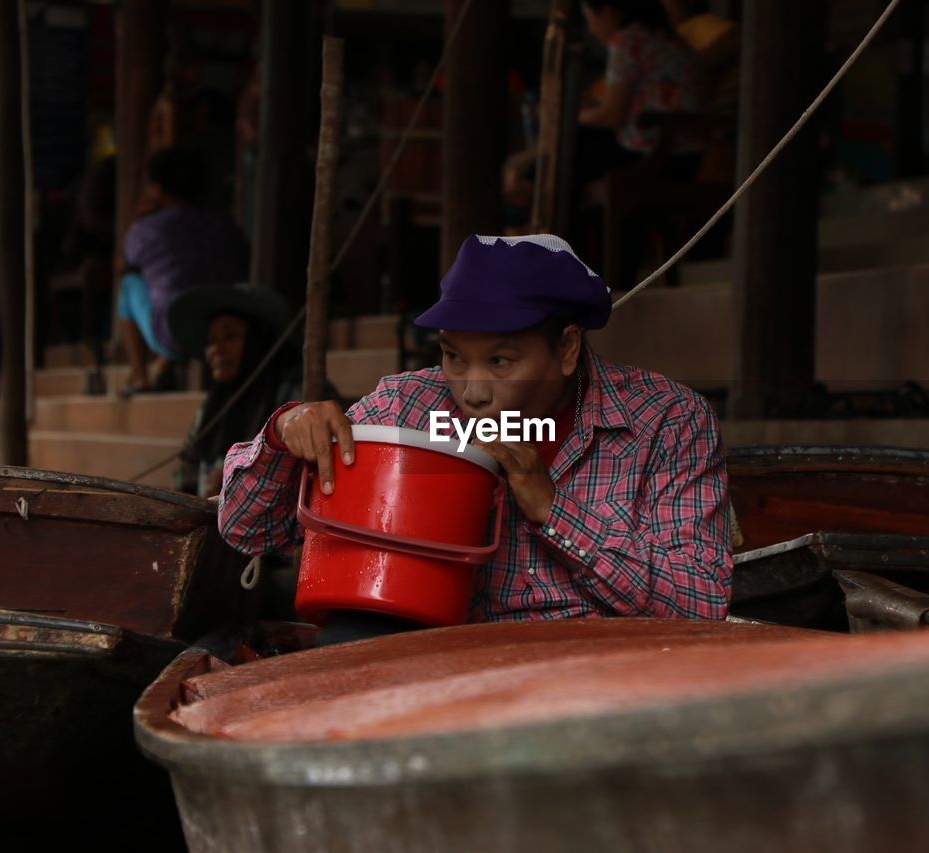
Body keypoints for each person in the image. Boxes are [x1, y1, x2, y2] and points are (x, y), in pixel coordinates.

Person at [218, 234, 733, 630]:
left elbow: (700, 602)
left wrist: (554, 510)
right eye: (453, 357)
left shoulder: (665, 420)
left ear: (568, 348)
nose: (473, 392)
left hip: (595, 682)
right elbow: (248, 532)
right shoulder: (405, 409)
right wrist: (283, 436)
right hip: (433, 673)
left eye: (501, 360)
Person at [117, 147, 248, 395]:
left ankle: (139, 378)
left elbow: (121, 266)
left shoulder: (145, 228)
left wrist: (138, 216)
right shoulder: (223, 222)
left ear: (156, 188)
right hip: (229, 329)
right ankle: (162, 365)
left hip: (173, 336)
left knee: (128, 284)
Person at [166, 284, 311, 499]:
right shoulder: (212, 405)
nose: (217, 349)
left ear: (258, 341)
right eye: (211, 341)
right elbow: (185, 473)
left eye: (230, 336)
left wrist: (236, 481)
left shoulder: (291, 392)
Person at [576, 0, 706, 182]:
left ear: (606, 12)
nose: (591, 29)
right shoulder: (666, 37)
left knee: (574, 145)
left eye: (589, 19)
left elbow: (612, 116)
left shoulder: (628, 41)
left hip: (659, 155)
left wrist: (572, 117)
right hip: (688, 153)